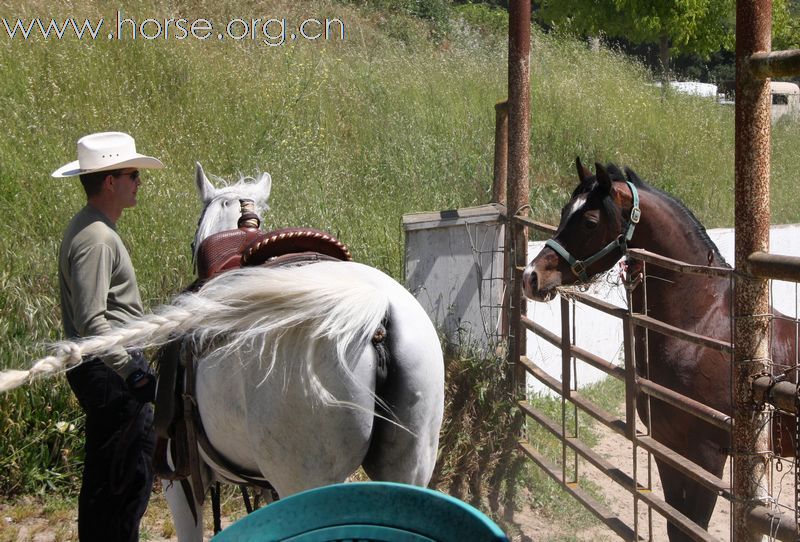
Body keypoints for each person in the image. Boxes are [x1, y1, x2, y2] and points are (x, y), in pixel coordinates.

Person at [52, 131, 164, 541]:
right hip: (110, 373)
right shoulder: (96, 238)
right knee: (124, 480)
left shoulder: (93, 228)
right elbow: (90, 322)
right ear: (111, 182)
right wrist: (133, 372)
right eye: (133, 174)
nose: (139, 182)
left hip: (107, 370)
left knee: (114, 479)